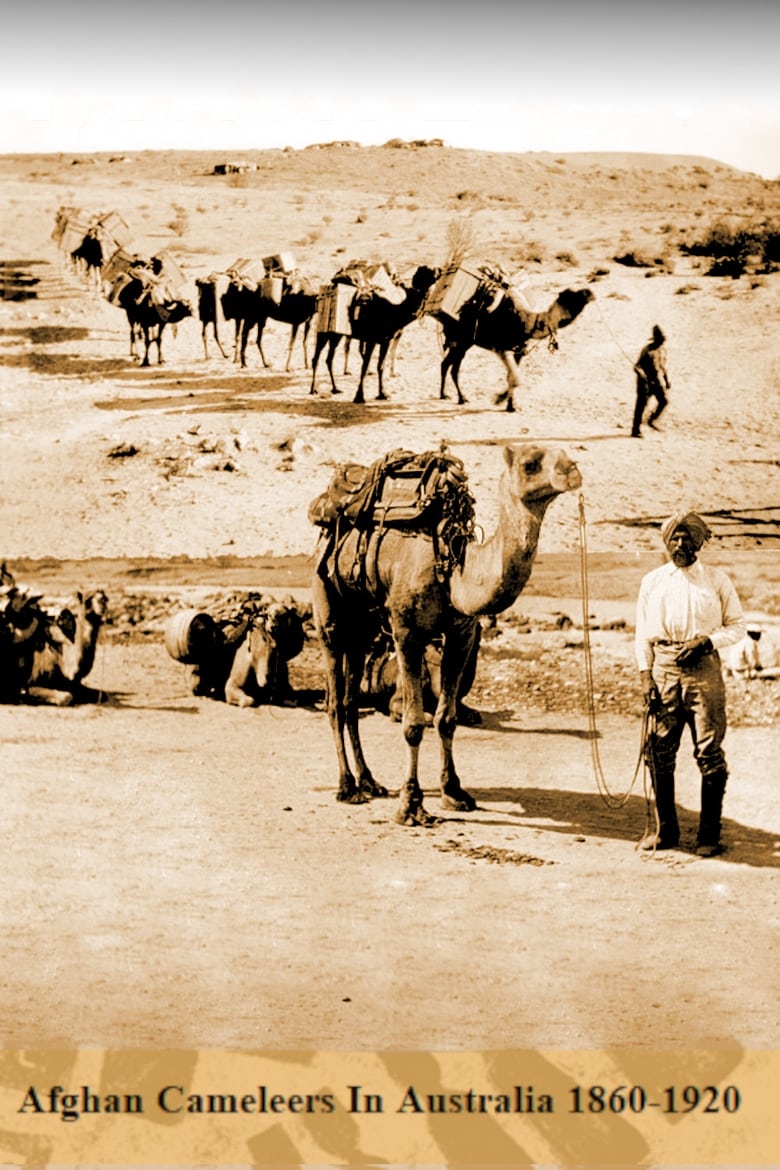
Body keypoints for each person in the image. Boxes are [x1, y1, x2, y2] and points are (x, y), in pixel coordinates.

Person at [634, 511, 746, 855]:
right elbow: (642, 633)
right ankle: (666, 832)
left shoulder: (716, 580)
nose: (680, 544)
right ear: (667, 542)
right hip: (663, 668)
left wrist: (707, 642)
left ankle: (709, 836)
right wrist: (645, 676)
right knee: (658, 751)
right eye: (674, 538)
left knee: (709, 753)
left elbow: (737, 626)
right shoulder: (652, 581)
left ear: (700, 542)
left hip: (704, 670)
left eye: (687, 538)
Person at [632, 324, 671, 437]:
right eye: (661, 340)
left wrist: (667, 380)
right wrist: (642, 375)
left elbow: (663, 367)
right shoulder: (647, 350)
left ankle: (652, 420)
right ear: (656, 339)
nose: (663, 342)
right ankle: (636, 430)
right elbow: (637, 366)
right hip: (645, 383)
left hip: (657, 381)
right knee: (641, 406)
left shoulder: (662, 350)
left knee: (664, 401)